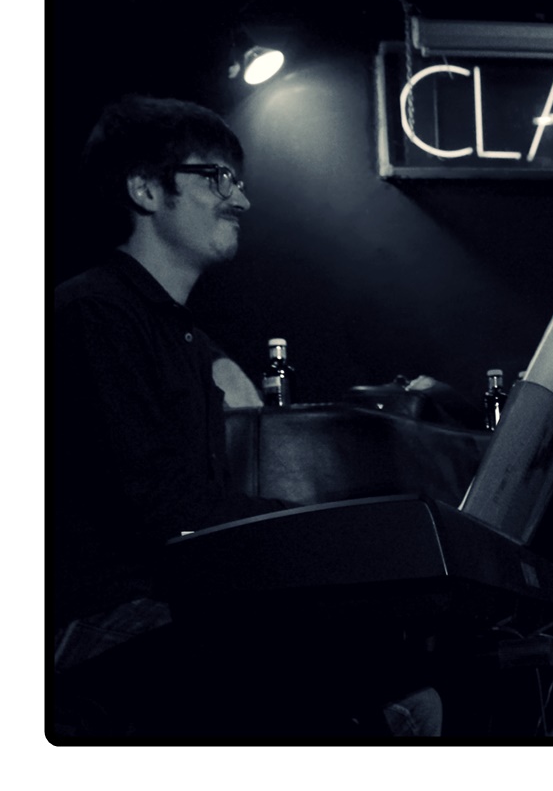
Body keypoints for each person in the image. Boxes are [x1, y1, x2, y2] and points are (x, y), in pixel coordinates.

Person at [51, 95, 440, 738]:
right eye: (217, 178)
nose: (243, 199)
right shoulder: (94, 314)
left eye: (238, 180)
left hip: (171, 607)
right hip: (103, 622)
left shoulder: (174, 333)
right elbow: (162, 508)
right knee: (354, 697)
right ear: (145, 191)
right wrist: (312, 532)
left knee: (406, 677)